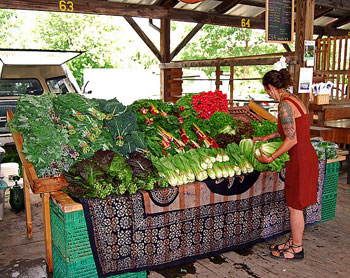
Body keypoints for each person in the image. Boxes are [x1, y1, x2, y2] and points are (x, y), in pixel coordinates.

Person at [254, 68, 318, 260]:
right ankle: (293, 240)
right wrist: (267, 136)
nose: (268, 94)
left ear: (272, 87)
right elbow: (291, 129)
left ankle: (297, 248)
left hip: (299, 158)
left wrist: (271, 157)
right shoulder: (294, 99)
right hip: (306, 155)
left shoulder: (284, 105)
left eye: (267, 91)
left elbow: (291, 139)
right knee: (295, 203)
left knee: (295, 206)